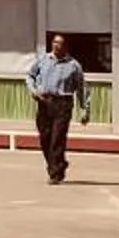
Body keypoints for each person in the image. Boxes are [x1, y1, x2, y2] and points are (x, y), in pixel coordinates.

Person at [25, 31, 88, 184]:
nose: (56, 45)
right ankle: (59, 164)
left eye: (59, 43)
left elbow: (82, 88)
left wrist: (84, 109)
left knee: (57, 139)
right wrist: (34, 91)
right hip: (45, 102)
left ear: (66, 46)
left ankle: (55, 172)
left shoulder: (73, 65)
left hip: (63, 104)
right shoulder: (43, 60)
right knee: (45, 138)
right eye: (54, 42)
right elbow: (30, 76)